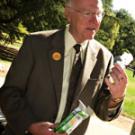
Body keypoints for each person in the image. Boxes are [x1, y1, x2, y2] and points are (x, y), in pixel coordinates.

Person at [0, 0, 128, 135]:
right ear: (68, 13)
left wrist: (116, 98)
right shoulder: (36, 44)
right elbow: (9, 92)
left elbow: (102, 112)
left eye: (99, 14)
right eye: (88, 13)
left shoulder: (104, 57)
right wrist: (30, 125)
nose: (95, 21)